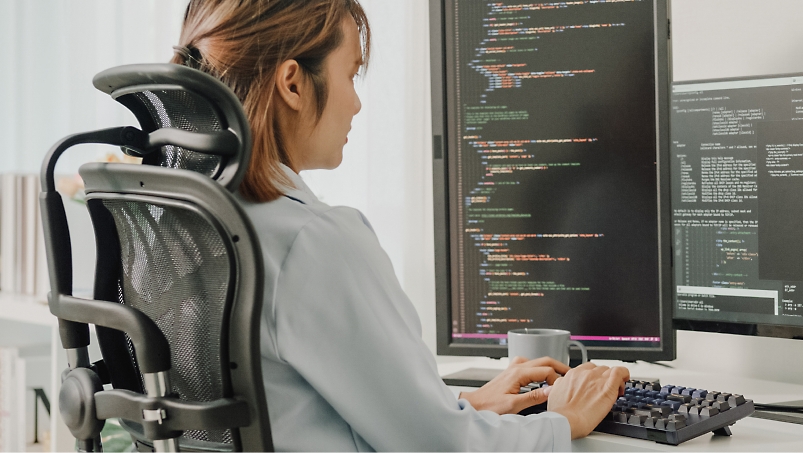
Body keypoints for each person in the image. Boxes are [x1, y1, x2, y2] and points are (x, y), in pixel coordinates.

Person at [171, 1, 630, 450]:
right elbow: (440, 449)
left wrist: (462, 407)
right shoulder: (312, 241)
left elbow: (289, 412)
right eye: (350, 75)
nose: (355, 104)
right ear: (292, 83)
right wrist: (564, 419)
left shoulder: (181, 222)